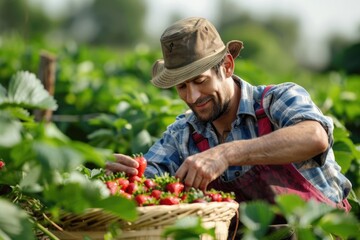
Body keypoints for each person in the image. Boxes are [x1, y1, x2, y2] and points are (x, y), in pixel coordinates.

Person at [106, 16, 352, 232]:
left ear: (226, 66)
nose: (192, 97)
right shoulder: (183, 134)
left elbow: (314, 137)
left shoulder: (276, 100)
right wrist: (126, 178)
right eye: (182, 87)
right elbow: (151, 175)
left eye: (200, 81)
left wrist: (226, 153)